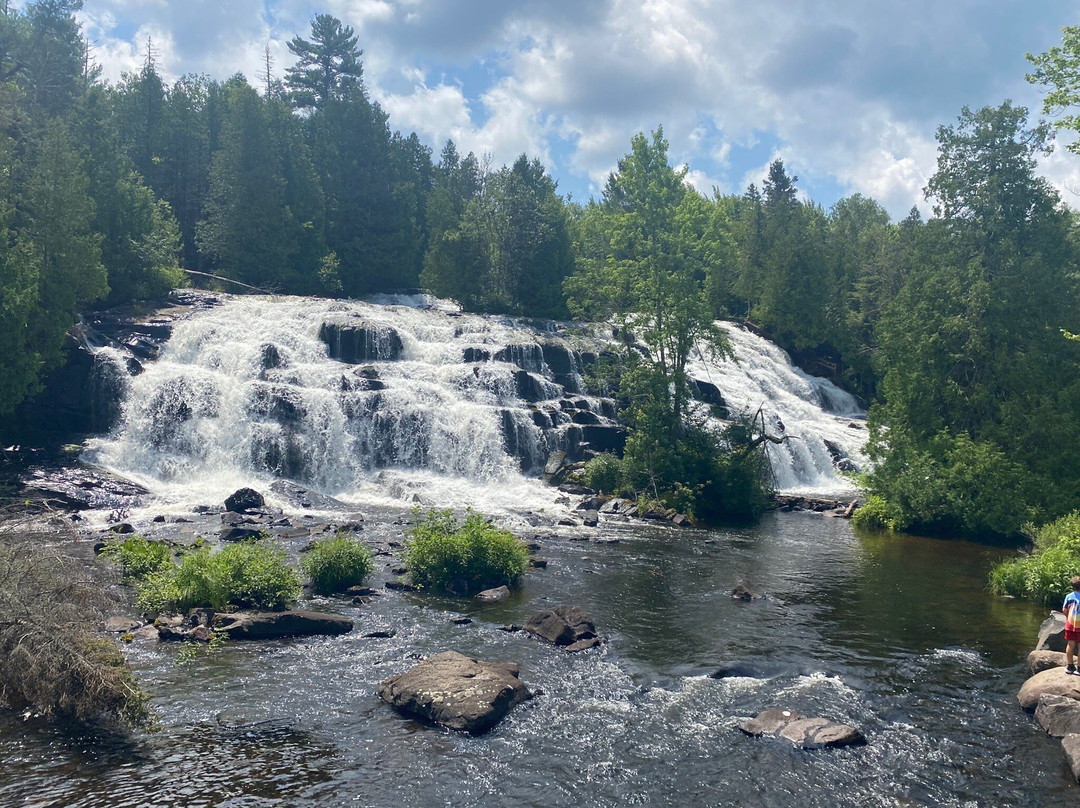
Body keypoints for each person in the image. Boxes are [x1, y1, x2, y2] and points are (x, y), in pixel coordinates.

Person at [1064, 576, 1080, 675]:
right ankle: (1079, 668)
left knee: (1070, 645)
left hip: (1070, 625)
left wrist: (1068, 618)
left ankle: (1070, 666)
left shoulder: (1069, 596)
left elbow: (1065, 610)